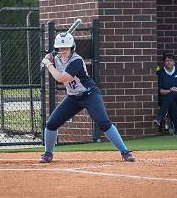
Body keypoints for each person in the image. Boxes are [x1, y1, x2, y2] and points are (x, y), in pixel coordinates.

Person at [39, 31, 135, 163]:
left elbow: (61, 78)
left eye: (66, 48)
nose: (64, 51)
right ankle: (48, 154)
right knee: (51, 124)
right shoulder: (56, 58)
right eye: (61, 48)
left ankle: (125, 152)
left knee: (103, 123)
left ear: (72, 48)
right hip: (72, 97)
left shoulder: (76, 61)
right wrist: (48, 58)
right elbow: (51, 59)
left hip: (89, 94)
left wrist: (48, 64)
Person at [153, 53, 177, 135]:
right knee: (172, 103)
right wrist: (170, 90)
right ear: (164, 62)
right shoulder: (160, 73)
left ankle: (160, 116)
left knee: (173, 96)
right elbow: (161, 91)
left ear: (174, 62)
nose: (169, 62)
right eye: (167, 61)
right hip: (164, 98)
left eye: (171, 61)